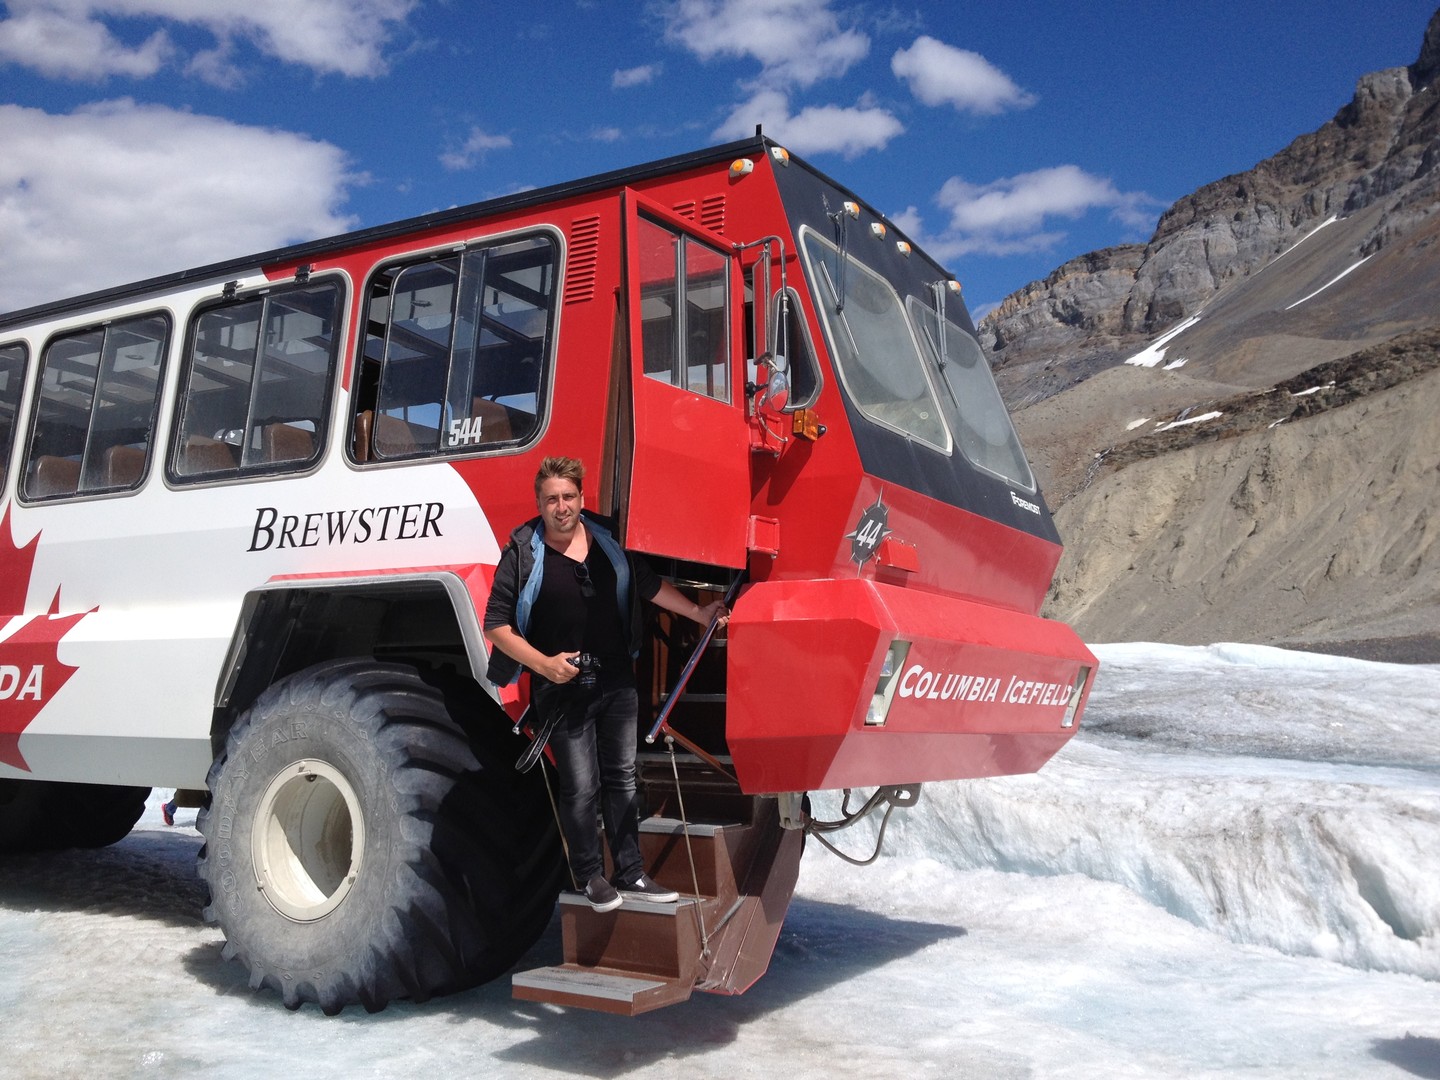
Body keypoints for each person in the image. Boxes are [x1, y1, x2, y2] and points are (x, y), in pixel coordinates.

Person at [483, 456, 729, 912]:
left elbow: (647, 585)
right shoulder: (522, 549)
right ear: (540, 503)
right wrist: (544, 666)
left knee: (622, 778)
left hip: (616, 679)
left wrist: (699, 612)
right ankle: (590, 877)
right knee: (580, 785)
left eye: (569, 497)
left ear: (581, 497)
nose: (561, 507)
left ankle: (631, 872)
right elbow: (496, 624)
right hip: (561, 684)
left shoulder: (607, 539)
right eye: (552, 499)